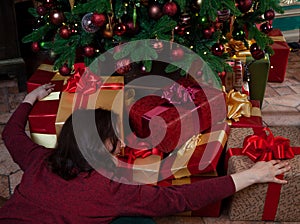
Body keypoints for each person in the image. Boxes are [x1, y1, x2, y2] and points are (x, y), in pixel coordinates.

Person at [0, 83, 291, 224]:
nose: (122, 145)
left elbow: (10, 134)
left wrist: (28, 99)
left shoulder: (37, 160)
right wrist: (252, 175)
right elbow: (181, 198)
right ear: (104, 146)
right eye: (115, 139)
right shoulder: (111, 189)